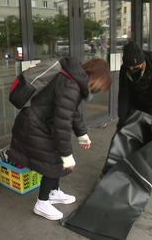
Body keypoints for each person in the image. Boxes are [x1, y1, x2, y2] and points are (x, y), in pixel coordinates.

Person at [7, 57, 112, 221]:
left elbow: (72, 112)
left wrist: (82, 135)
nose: (97, 91)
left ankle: (53, 192)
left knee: (56, 161)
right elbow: (62, 123)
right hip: (35, 126)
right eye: (99, 87)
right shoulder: (71, 85)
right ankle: (42, 203)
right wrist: (66, 155)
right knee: (54, 164)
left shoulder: (73, 80)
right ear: (96, 79)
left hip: (39, 123)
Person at [117, 42, 152, 138]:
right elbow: (123, 95)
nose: (131, 69)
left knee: (151, 133)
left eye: (135, 67)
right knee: (130, 131)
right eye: (129, 66)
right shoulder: (124, 69)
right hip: (136, 100)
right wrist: (122, 119)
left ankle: (149, 151)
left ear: (142, 61)